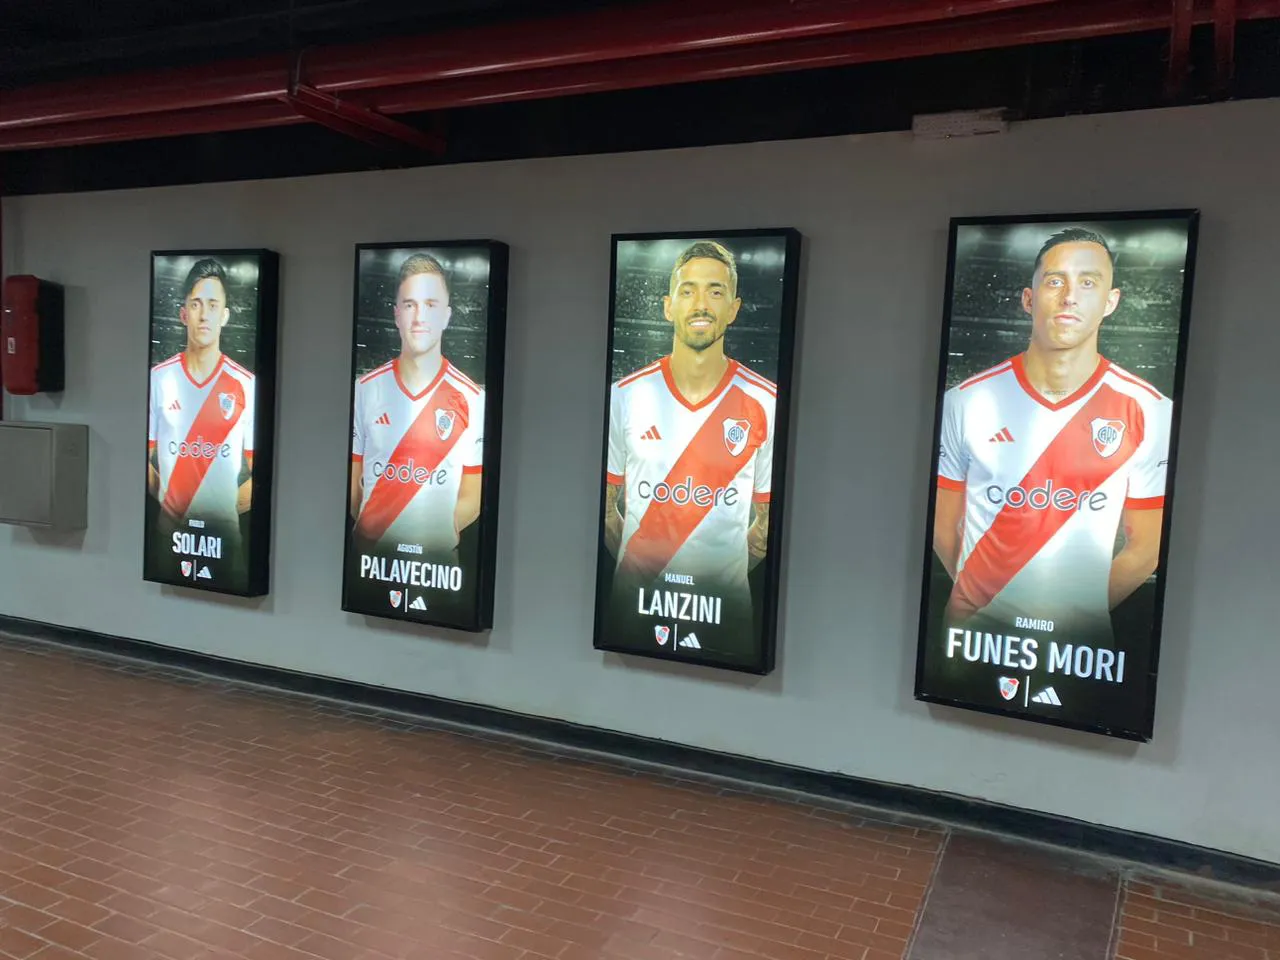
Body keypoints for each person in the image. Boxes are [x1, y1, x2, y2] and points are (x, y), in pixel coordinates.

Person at [932, 227, 1171, 642]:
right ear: (1029, 299)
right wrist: (989, 598)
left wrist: (1077, 612)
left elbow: (1147, 549)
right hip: (970, 630)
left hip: (1081, 643)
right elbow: (941, 526)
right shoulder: (965, 401)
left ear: (1110, 302)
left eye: (1089, 282)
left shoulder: (1151, 410)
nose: (1070, 296)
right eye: (1055, 280)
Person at [602, 240, 775, 640]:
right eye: (688, 290)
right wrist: (641, 565)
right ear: (668, 306)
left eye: (715, 291)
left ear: (733, 309)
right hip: (634, 604)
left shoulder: (767, 403)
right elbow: (605, 512)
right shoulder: (624, 397)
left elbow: (767, 530)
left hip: (725, 611)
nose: (701, 304)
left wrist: (719, 573)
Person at [349, 252, 484, 558]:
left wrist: (428, 542)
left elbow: (472, 498)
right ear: (397, 314)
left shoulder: (473, 398)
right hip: (369, 557)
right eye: (410, 305)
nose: (420, 317)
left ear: (446, 315)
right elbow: (354, 490)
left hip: (437, 562)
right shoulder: (365, 390)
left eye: (430, 305)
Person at [147, 258, 255, 548]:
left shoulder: (245, 384)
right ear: (183, 315)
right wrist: (172, 503)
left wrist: (218, 512)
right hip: (168, 534)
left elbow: (254, 475)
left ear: (225, 315)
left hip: (225, 537)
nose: (204, 314)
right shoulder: (158, 378)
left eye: (212, 305)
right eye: (196, 304)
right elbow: (145, 460)